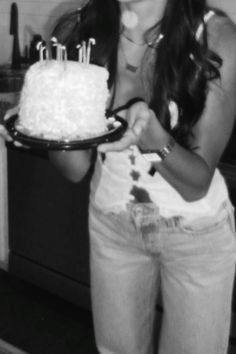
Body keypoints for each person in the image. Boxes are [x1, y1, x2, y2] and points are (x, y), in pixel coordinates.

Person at [1, 0, 236, 353]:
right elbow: (75, 170)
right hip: (113, 224)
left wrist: (154, 139)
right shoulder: (81, 30)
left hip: (195, 233)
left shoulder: (215, 37)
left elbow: (197, 184)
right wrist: (50, 120)